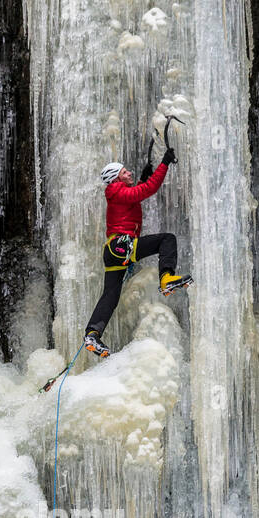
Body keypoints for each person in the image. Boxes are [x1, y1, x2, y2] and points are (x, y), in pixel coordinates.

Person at [83, 148, 192, 359]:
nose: (129, 173)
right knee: (166, 239)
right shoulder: (116, 190)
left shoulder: (119, 193)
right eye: (124, 172)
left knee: (111, 296)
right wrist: (165, 164)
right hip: (122, 246)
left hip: (113, 251)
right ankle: (167, 279)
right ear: (116, 178)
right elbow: (147, 190)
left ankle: (92, 334)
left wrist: (144, 176)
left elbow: (139, 191)